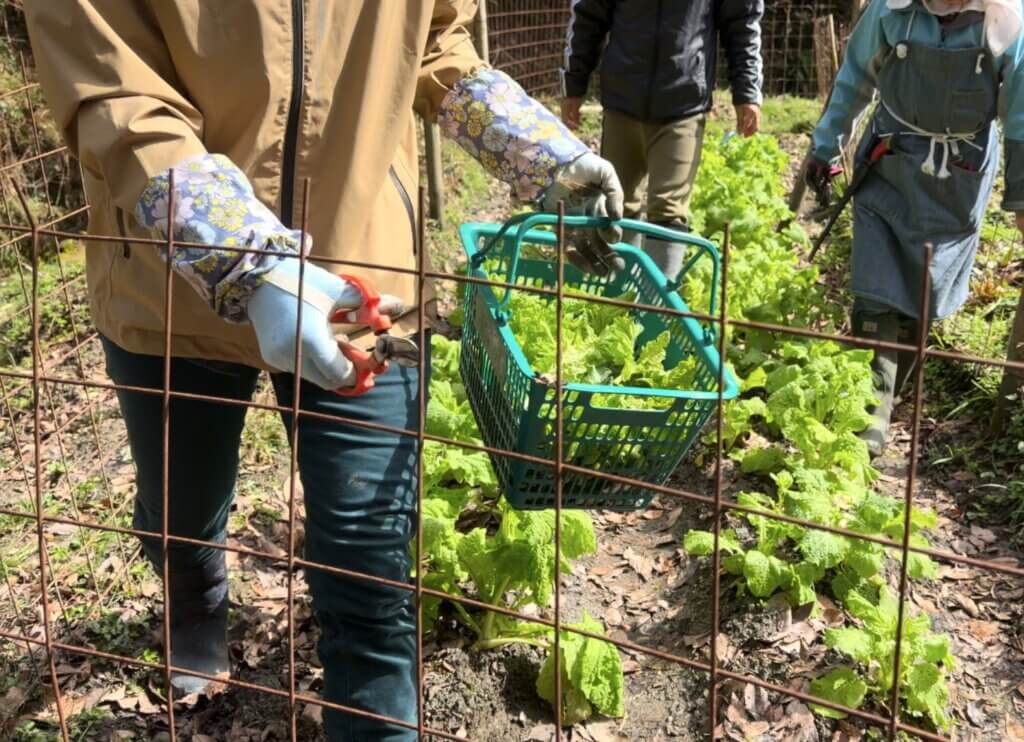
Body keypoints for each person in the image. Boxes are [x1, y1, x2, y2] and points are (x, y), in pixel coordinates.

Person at [23, 2, 624, 739]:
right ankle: (194, 590)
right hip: (164, 279)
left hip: (358, 271)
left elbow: (437, 42)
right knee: (180, 510)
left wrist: (535, 148)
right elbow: (112, 87)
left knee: (370, 557)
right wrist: (249, 261)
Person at [805, 0, 1024, 457]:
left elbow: (1021, 117)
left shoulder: (1008, 22)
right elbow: (853, 80)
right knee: (875, 286)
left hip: (957, 178)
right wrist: (825, 147)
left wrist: (1021, 195)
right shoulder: (891, 12)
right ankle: (873, 413)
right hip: (890, 160)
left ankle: (889, 392)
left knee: (922, 293)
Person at [559, 0, 765, 282]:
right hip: (622, 99)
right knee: (616, 203)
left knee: (668, 213)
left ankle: (656, 310)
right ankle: (618, 297)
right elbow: (589, 15)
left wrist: (747, 92)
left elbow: (742, 22)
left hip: (683, 103)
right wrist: (574, 84)